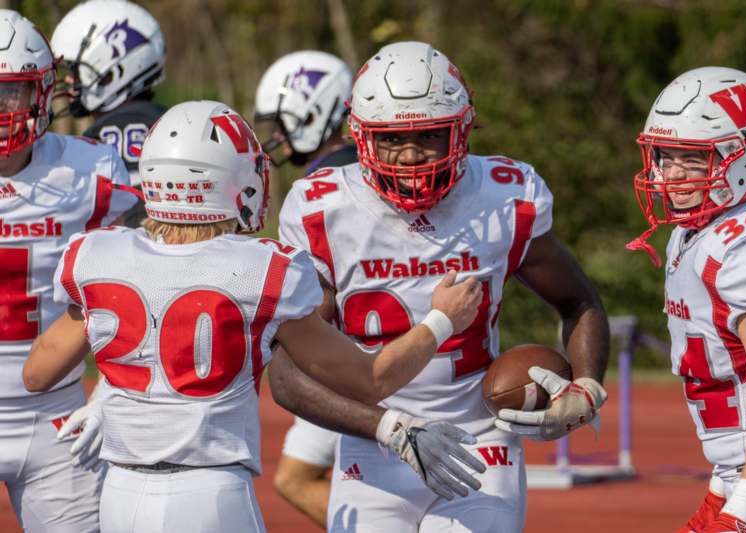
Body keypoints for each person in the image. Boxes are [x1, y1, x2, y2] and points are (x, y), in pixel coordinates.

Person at [22, 99, 488, 533]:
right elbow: (371, 380)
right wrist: (441, 321)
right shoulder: (262, 269)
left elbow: (38, 374)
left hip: (120, 492)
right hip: (211, 493)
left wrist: (114, 389)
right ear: (233, 182)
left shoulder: (98, 253)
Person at [279, 41, 610, 532]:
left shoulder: (504, 196)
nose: (411, 156)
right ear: (361, 137)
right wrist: (389, 429)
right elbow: (287, 372)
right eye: (392, 139)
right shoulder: (323, 209)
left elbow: (578, 301)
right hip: (374, 448)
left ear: (462, 129)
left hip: (479, 443)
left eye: (430, 135)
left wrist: (584, 386)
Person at [627, 66, 746, 532]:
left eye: (694, 159)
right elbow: (737, 393)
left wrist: (737, 515)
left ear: (745, 156)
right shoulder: (692, 234)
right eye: (664, 156)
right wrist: (720, 492)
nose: (672, 174)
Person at [0, 10, 137, 532]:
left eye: (9, 90)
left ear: (43, 91)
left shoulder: (90, 172)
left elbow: (129, 294)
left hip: (54, 415)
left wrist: (107, 394)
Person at [255, 49, 355, 528]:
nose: (274, 137)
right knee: (295, 477)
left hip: (356, 357)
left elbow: (319, 296)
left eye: (280, 122)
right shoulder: (350, 173)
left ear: (312, 111)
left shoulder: (324, 184)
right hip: (372, 350)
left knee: (296, 478)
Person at [51, 0, 168, 227]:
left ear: (113, 71)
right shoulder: (174, 123)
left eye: (76, 71)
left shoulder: (97, 139)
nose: (68, 81)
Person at [254, 50, 356, 172]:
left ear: (310, 119)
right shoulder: (364, 169)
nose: (276, 135)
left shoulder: (319, 186)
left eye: (282, 125)